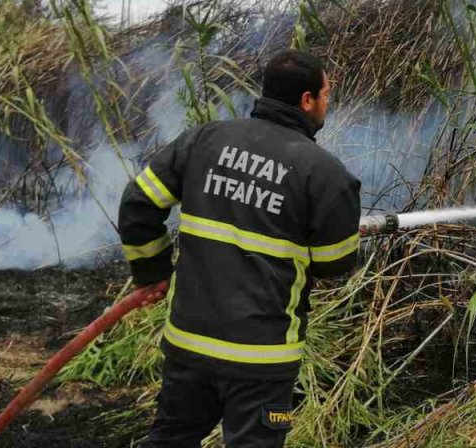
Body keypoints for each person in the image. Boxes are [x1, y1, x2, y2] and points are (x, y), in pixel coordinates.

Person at [118, 49, 362, 447]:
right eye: (326, 94)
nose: (327, 102)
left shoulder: (204, 140)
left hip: (188, 347)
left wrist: (152, 273)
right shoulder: (327, 174)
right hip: (262, 363)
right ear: (306, 100)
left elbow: (137, 203)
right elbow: (334, 264)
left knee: (170, 440)